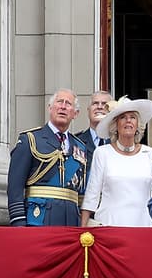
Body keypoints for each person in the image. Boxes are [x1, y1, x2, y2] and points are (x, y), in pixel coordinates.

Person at [8, 89, 90, 227]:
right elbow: (15, 187)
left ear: (75, 114)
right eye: (59, 102)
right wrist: (18, 222)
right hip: (39, 218)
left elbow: (80, 193)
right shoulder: (31, 139)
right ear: (50, 108)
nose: (63, 107)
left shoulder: (80, 147)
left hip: (71, 221)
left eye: (68, 104)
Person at [80, 96, 152, 227]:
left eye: (132, 117)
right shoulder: (102, 152)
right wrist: (82, 231)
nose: (128, 121)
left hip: (144, 225)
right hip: (110, 225)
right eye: (123, 117)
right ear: (115, 125)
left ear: (138, 125)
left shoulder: (149, 153)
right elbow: (92, 195)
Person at [74, 89, 113, 157]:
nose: (99, 107)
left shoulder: (119, 141)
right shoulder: (76, 141)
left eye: (104, 104)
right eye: (95, 103)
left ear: (111, 111)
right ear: (88, 110)